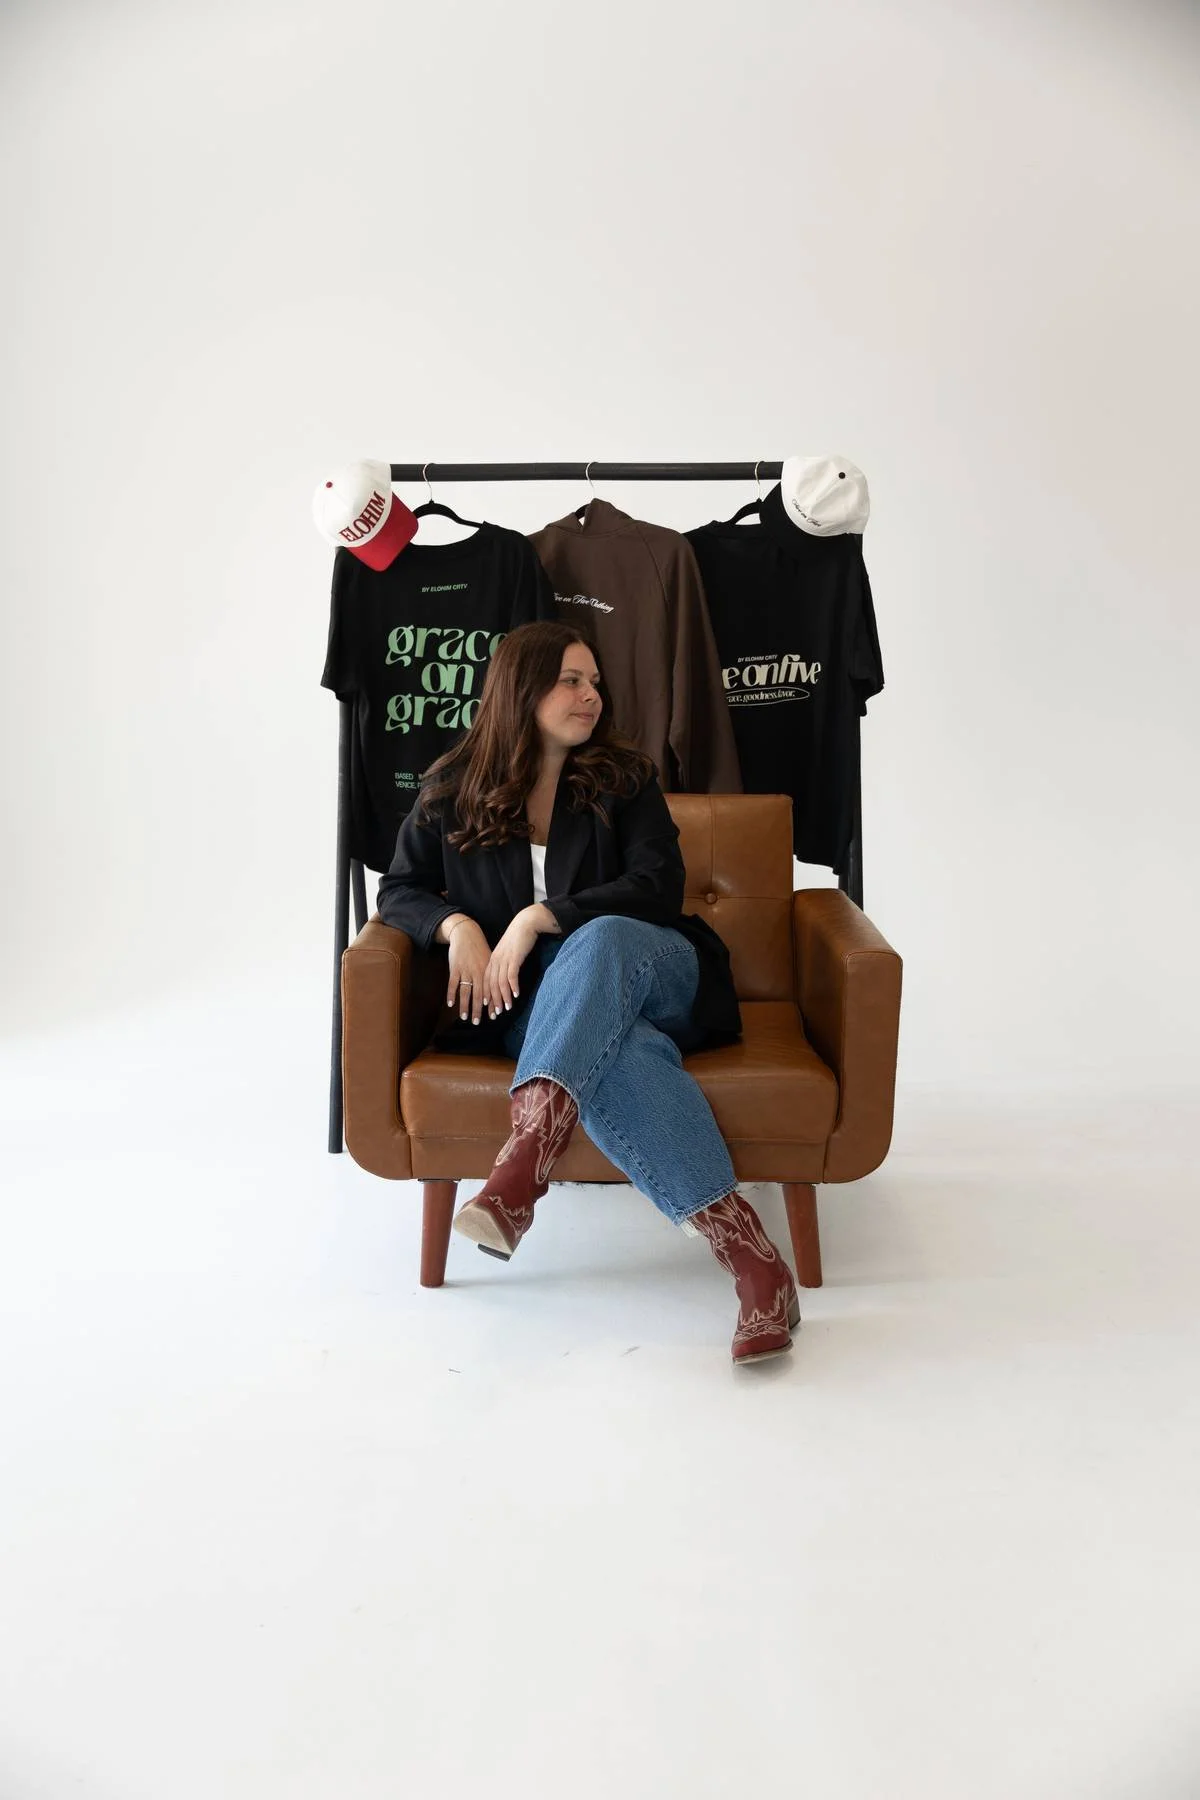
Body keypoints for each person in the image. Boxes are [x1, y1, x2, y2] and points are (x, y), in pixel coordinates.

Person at [376, 621, 800, 1365]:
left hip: (654, 965)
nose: (590, 695)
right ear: (523, 687)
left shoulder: (623, 779)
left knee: (597, 936)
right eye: (572, 680)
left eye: (594, 682)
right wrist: (456, 926)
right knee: (624, 1055)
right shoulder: (452, 788)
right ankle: (757, 1267)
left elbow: (657, 888)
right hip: (545, 1006)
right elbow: (400, 890)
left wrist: (539, 917)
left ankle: (520, 1170)